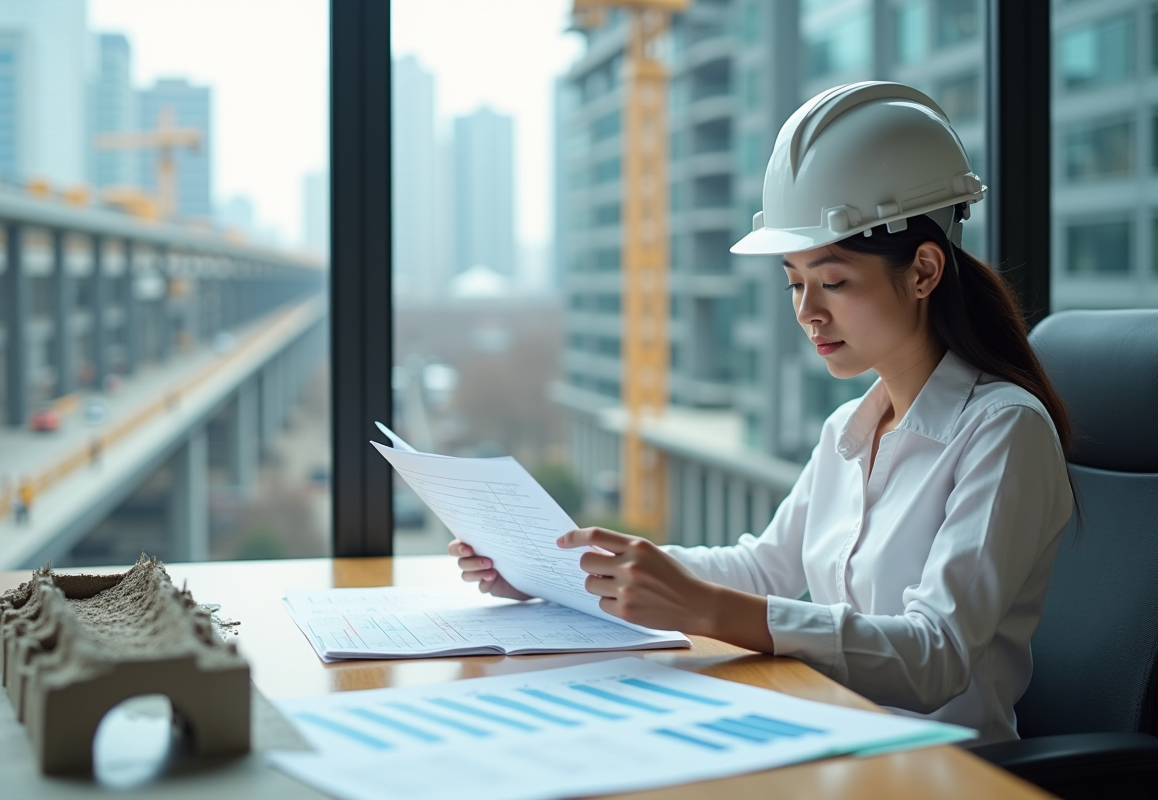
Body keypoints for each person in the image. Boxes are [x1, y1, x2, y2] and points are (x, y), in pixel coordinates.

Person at [449, 82, 1075, 745]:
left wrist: (708, 608)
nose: (808, 312)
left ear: (923, 270)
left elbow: (935, 658)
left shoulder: (1004, 431)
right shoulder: (849, 431)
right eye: (795, 283)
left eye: (832, 281)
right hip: (827, 737)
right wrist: (571, 573)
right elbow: (763, 567)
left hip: (936, 771)